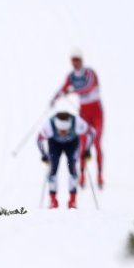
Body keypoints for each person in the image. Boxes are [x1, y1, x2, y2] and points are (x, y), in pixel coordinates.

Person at [51, 48, 105, 188]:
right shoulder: (71, 76)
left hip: (96, 110)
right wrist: (55, 98)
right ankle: (81, 176)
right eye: (73, 60)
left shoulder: (89, 73)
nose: (75, 63)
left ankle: (99, 175)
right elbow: (63, 88)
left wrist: (73, 91)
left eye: (77, 60)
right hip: (84, 111)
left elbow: (89, 87)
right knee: (82, 143)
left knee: (96, 142)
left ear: (82, 60)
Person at [37, 110, 95, 209]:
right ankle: (53, 200)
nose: (63, 134)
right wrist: (44, 155)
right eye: (60, 131)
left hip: (71, 144)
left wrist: (87, 150)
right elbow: (39, 140)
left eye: (65, 131)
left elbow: (91, 133)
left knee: (72, 167)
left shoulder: (77, 122)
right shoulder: (49, 125)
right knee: (53, 168)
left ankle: (72, 200)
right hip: (55, 145)